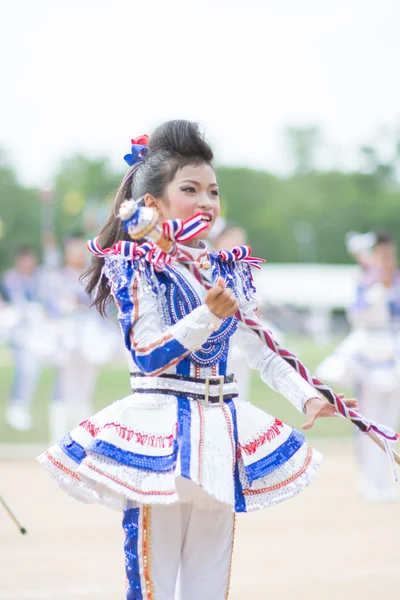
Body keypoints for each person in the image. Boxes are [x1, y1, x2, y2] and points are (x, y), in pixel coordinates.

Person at [38, 121, 356, 599]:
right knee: (151, 580)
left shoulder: (227, 269)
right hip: (157, 433)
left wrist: (307, 397)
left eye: (213, 191)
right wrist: (206, 315)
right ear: (152, 204)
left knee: (210, 582)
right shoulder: (136, 264)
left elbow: (262, 348)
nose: (207, 201)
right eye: (190, 189)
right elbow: (146, 356)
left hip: (220, 434)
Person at [317, 231, 400, 501]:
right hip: (369, 348)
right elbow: (357, 312)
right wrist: (378, 287)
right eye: (382, 255)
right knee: (369, 417)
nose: (388, 261)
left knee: (390, 419)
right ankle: (369, 478)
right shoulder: (365, 282)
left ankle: (385, 478)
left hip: (394, 348)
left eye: (390, 255)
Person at [2, 245, 41, 431]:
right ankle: (16, 405)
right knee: (24, 368)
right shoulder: (12, 278)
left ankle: (20, 406)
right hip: (16, 329)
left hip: (34, 331)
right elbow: (14, 300)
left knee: (32, 369)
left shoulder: (37, 279)